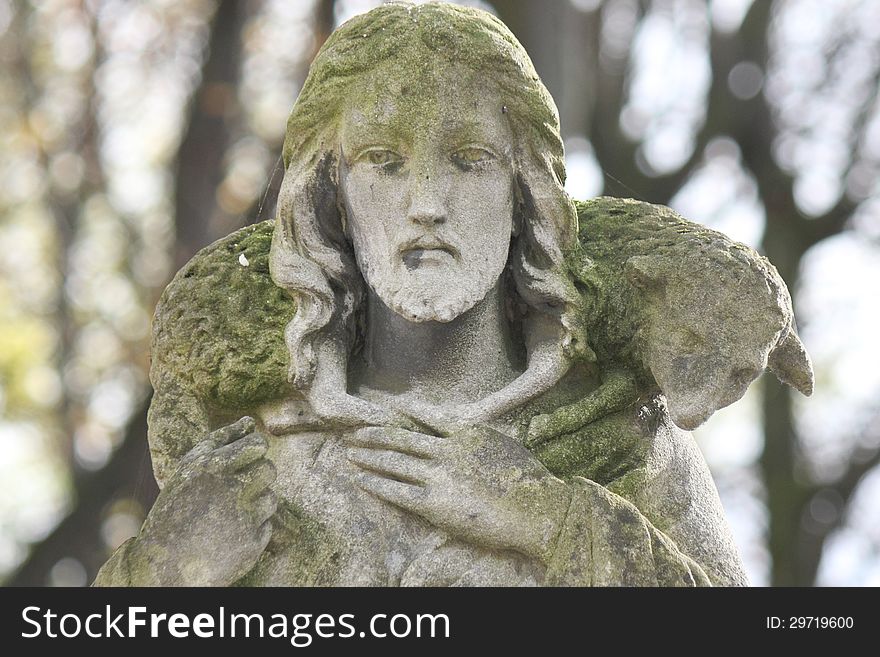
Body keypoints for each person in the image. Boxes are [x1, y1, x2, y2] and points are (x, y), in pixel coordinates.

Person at [94, 2, 748, 587]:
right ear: (333, 197)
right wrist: (168, 570)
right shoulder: (254, 454)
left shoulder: (623, 432)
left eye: (470, 158)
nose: (427, 204)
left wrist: (550, 520)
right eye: (383, 160)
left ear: (524, 194)